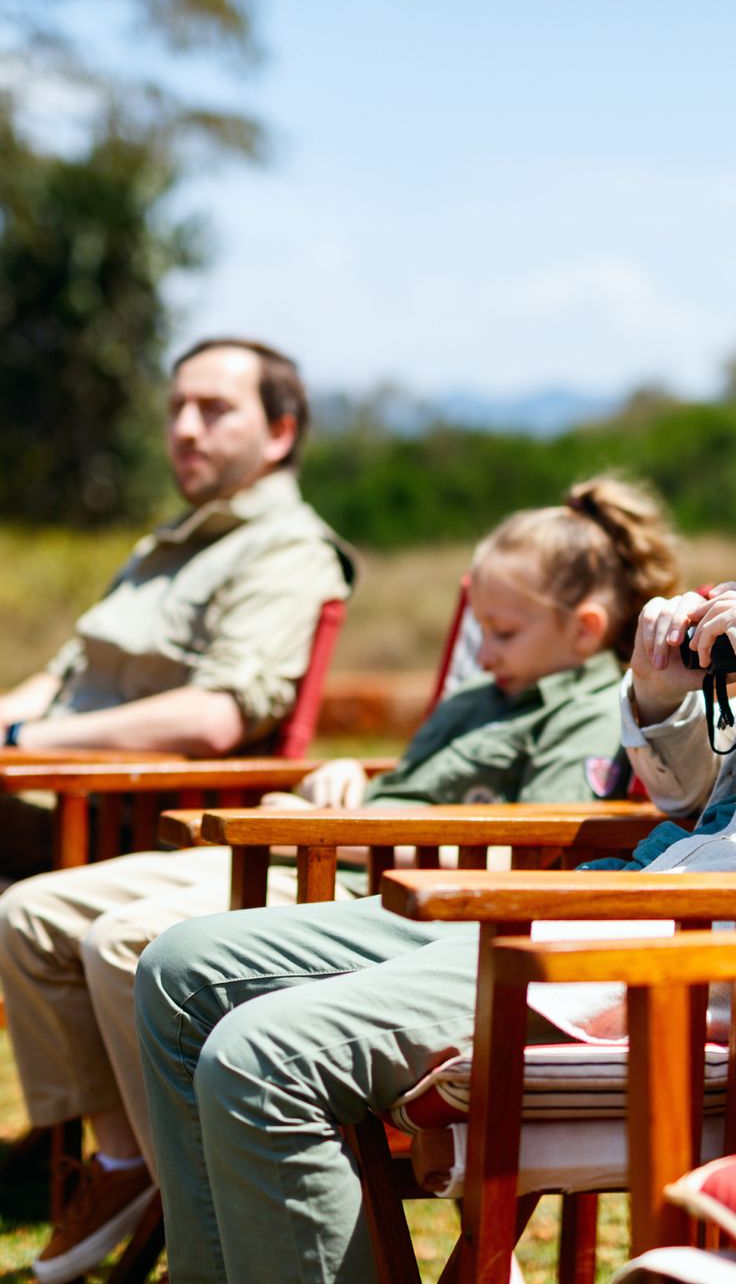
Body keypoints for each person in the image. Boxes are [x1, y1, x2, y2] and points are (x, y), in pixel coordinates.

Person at [0, 476, 675, 1282]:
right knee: (74, 927)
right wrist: (343, 788)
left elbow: (535, 844)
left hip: (385, 878)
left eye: (500, 631)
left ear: (584, 629)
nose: (481, 650)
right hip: (342, 851)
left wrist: (364, 837)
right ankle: (148, 1180)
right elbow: (416, 786)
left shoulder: (586, 709)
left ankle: (180, 1192)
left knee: (135, 950)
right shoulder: (480, 697)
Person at [134, 578, 736, 1284]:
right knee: (180, 970)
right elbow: (696, 800)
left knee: (259, 1059)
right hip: (609, 890)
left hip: (673, 944)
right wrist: (661, 697)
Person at [0, 336, 355, 879]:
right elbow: (63, 676)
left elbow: (215, 716)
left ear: (279, 434)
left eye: (215, 410)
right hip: (52, 790)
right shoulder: (166, 546)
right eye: (176, 409)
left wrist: (27, 742)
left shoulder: (289, 551)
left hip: (123, 822)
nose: (185, 429)